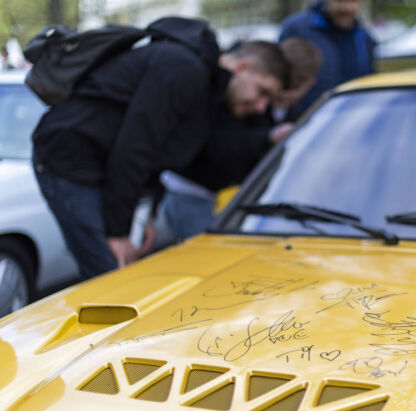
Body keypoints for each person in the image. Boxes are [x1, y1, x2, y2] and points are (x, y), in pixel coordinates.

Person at [32, 17, 289, 279]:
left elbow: (160, 152)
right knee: (111, 274)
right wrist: (119, 231)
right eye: (263, 92)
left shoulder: (206, 84)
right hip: (70, 158)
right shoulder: (184, 68)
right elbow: (135, 147)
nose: (261, 106)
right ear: (243, 67)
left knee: (118, 275)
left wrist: (146, 213)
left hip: (94, 161)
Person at [156, 38, 323, 244]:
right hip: (196, 192)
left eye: (294, 87)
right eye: (274, 90)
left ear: (309, 85)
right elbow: (218, 145)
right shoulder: (235, 96)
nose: (283, 94)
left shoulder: (300, 112)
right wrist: (266, 139)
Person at [279, 0, 375, 120]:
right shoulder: (297, 28)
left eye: (353, 1)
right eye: (339, 1)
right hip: (305, 124)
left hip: (351, 123)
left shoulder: (364, 38)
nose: (346, 8)